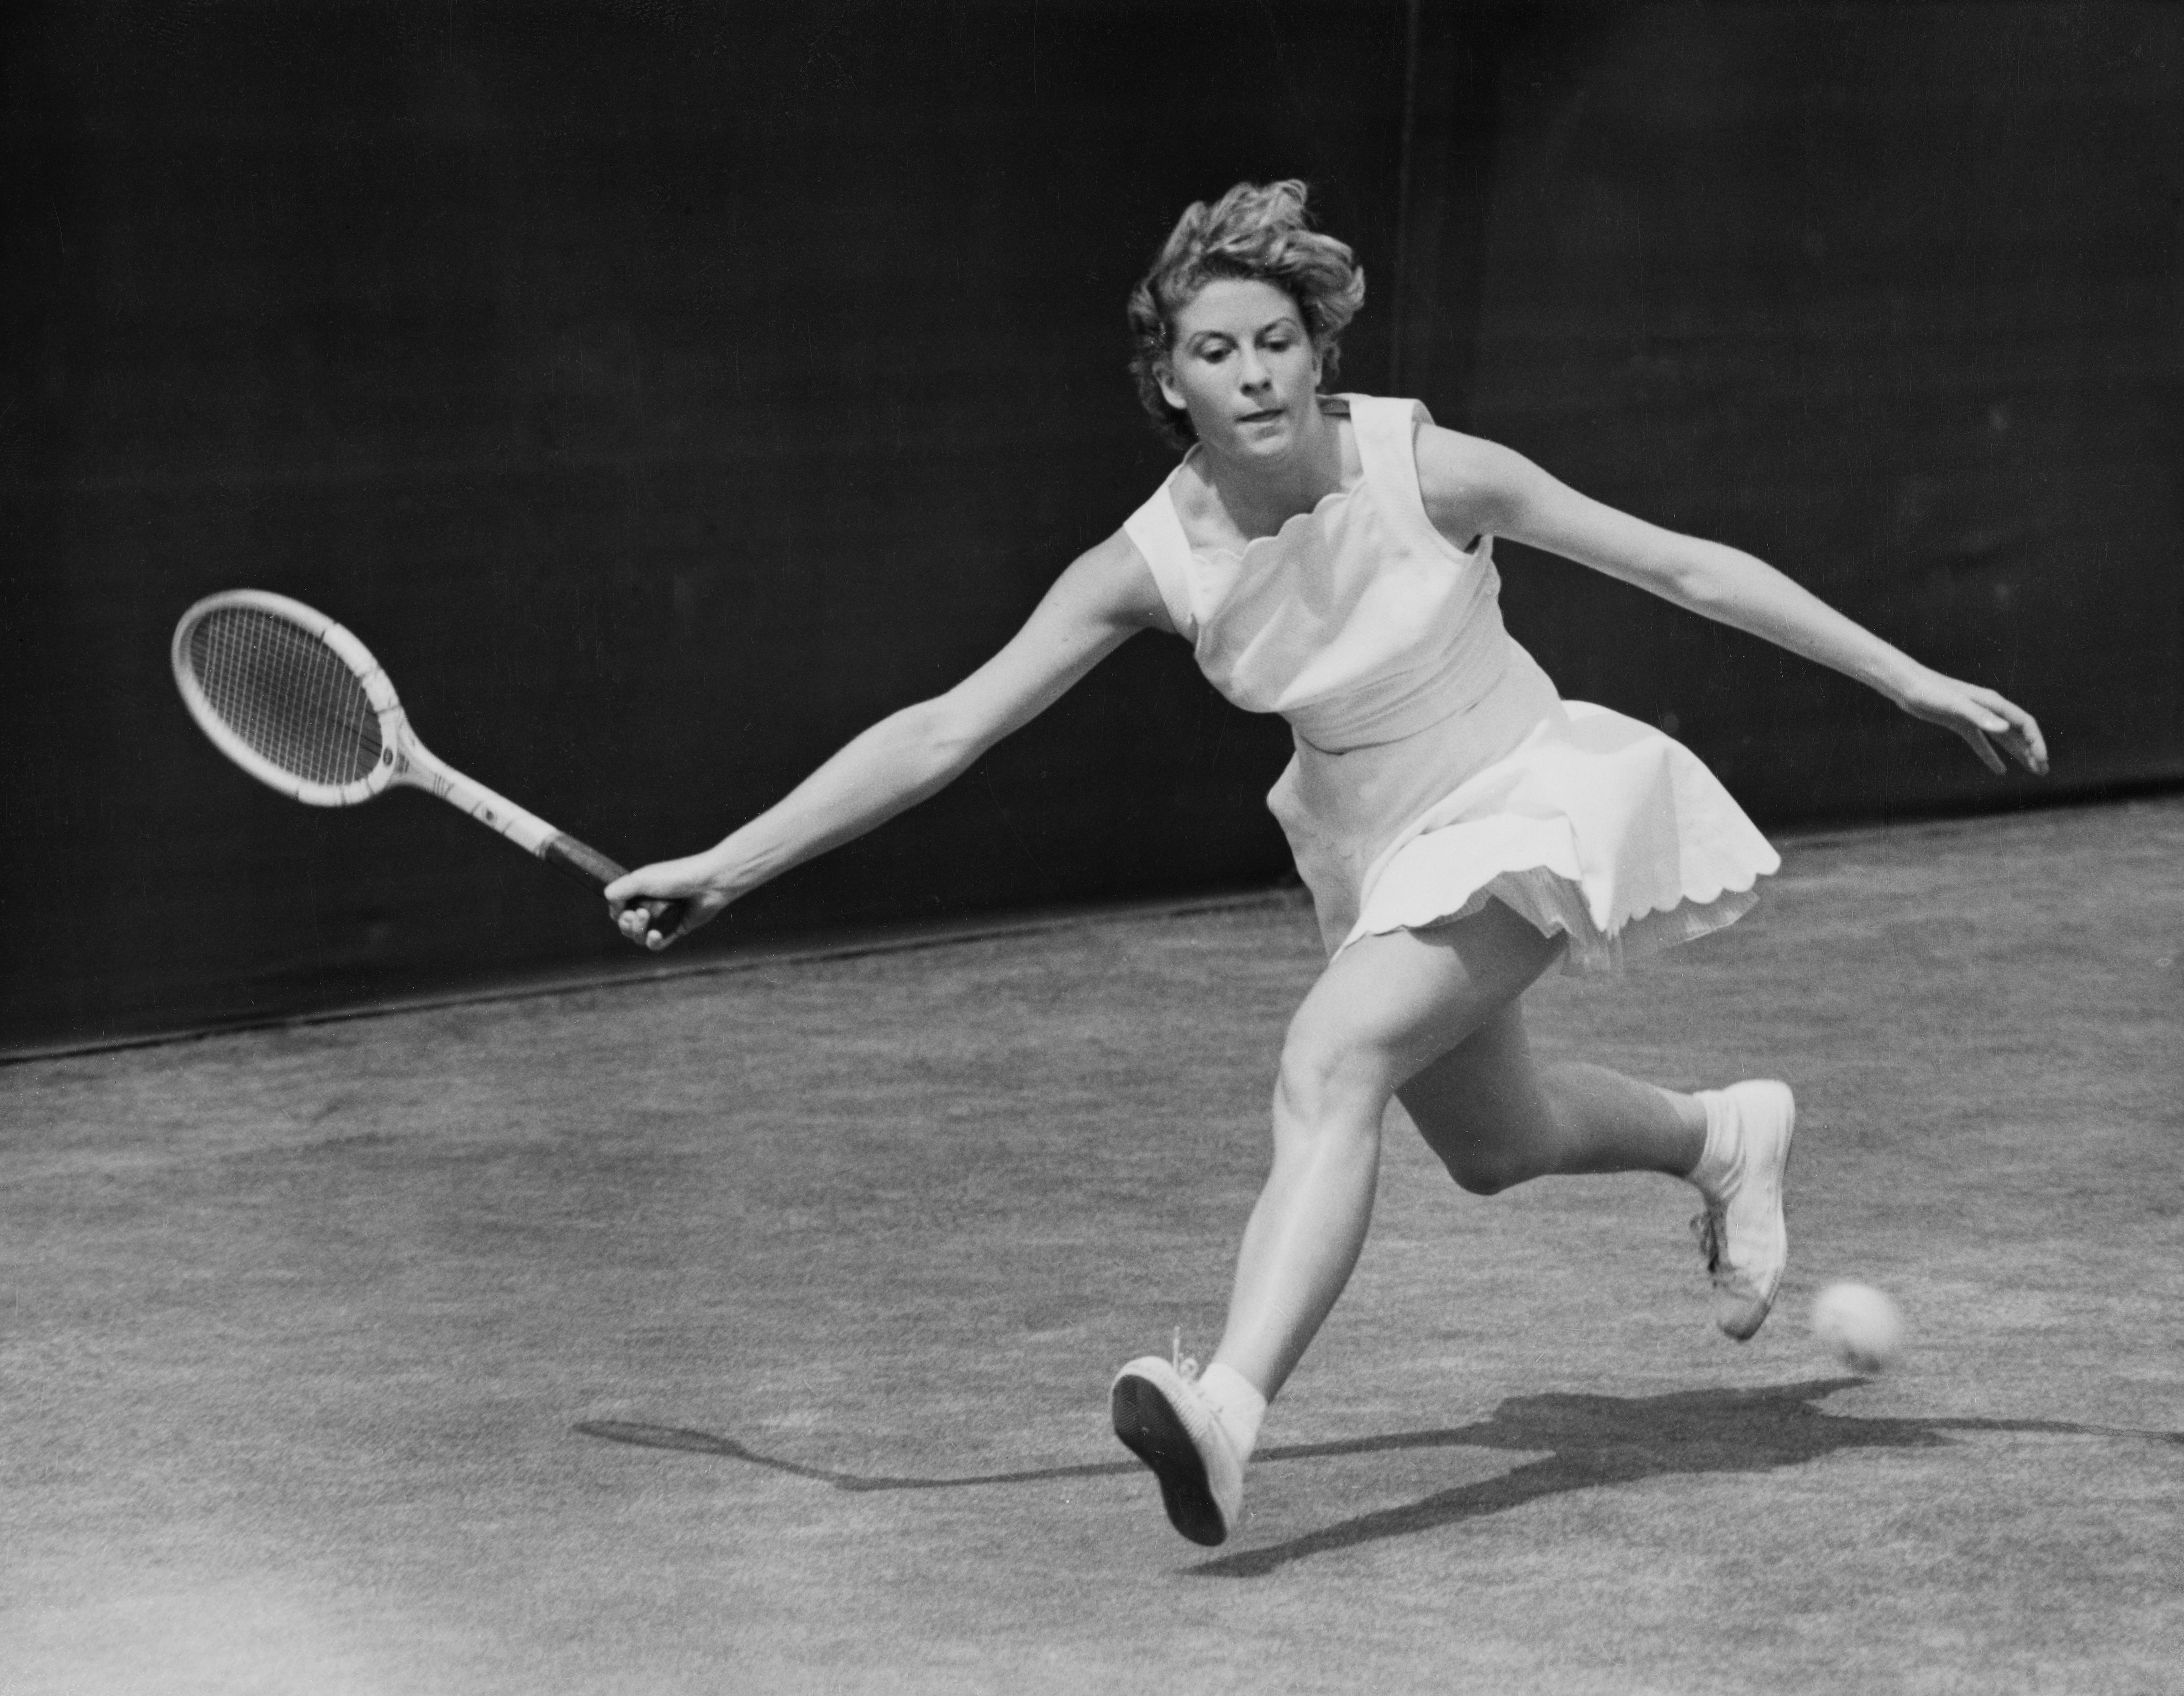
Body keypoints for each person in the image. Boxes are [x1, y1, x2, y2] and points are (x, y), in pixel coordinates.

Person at [604, 181, 2047, 1548]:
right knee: (1498, 1146)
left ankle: (1227, 1408)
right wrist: (732, 862)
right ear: (1169, 381)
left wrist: (1907, 675)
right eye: (1215, 351)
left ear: (1318, 350)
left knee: (1329, 1064)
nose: (1254, 375)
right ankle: (1723, 1133)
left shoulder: (1429, 466)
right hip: (1374, 846)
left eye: (1278, 342)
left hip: (1523, 798)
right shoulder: (1147, 564)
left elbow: (1683, 565)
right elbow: (940, 733)